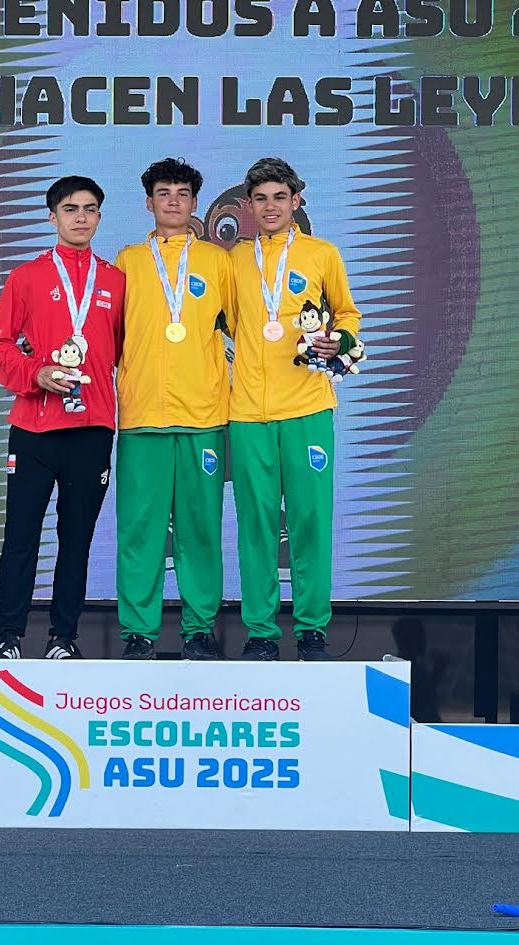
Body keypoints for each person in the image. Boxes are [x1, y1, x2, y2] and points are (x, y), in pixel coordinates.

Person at [0, 176, 124, 659]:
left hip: (92, 428)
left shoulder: (116, 281)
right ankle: (8, 638)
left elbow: (126, 353)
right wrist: (36, 373)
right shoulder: (26, 277)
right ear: (52, 216)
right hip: (34, 429)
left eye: (90, 208)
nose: (81, 217)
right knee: (21, 536)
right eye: (70, 209)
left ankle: (63, 639)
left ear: (99, 216)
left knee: (76, 540)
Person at [228, 157, 361, 661]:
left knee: (309, 521)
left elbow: (347, 313)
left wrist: (338, 340)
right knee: (255, 525)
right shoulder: (233, 260)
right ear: (248, 205)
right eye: (261, 199)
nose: (270, 207)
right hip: (248, 413)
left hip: (308, 406)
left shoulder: (322, 254)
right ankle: (261, 632)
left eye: (279, 198)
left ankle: (311, 630)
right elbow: (227, 324)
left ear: (296, 201)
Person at [114, 158, 234, 660]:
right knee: (139, 529)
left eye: (182, 193)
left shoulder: (218, 261)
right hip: (142, 415)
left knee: (200, 529)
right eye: (164, 193)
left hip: (203, 415)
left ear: (195, 203)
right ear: (149, 202)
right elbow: (108, 334)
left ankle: (199, 629)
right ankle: (138, 633)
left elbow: (244, 328)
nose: (173, 201)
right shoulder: (127, 261)